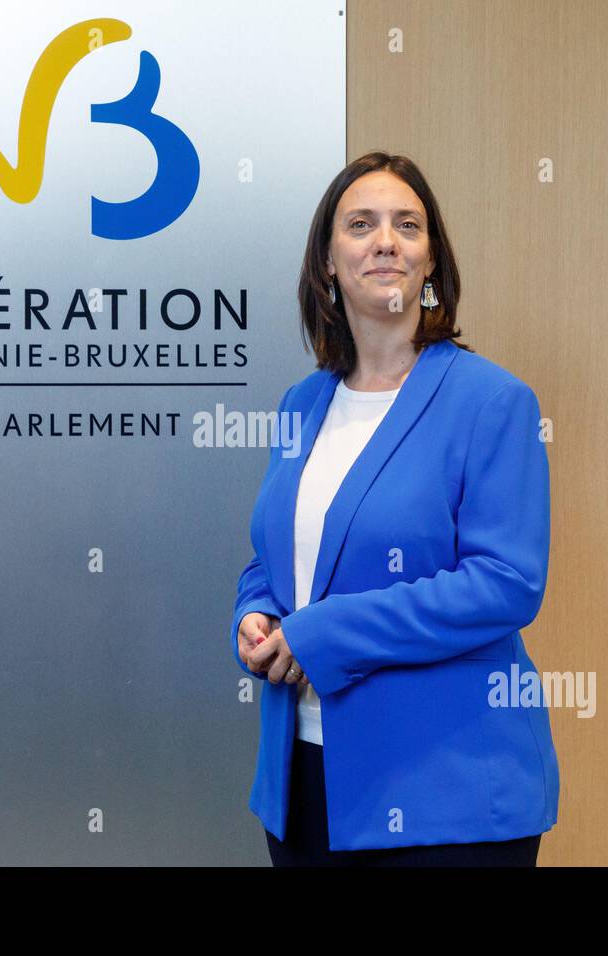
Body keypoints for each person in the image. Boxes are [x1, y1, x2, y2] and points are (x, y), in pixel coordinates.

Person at [230, 151, 558, 866]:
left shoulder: (492, 403)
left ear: (430, 261)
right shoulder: (302, 403)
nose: (386, 240)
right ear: (327, 262)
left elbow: (505, 583)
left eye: (407, 225)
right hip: (302, 785)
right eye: (362, 224)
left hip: (447, 794)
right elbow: (275, 557)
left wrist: (325, 633)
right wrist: (254, 614)